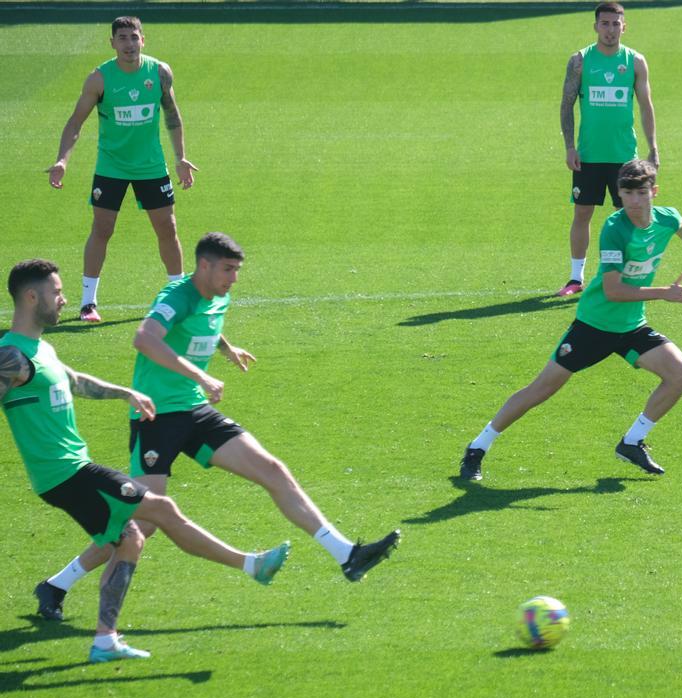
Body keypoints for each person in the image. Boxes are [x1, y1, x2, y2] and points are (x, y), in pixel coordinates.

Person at [33, 233, 400, 622]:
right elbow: (145, 339)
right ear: (203, 266)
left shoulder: (218, 294)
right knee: (143, 524)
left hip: (195, 411)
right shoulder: (178, 295)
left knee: (273, 470)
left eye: (237, 270)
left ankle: (346, 554)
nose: (234, 279)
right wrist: (202, 377)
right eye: (227, 269)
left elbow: (205, 323)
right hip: (155, 417)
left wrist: (226, 348)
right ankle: (59, 585)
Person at [2, 259, 289, 661]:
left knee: (132, 537)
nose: (64, 298)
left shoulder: (40, 348)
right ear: (31, 297)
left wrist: (126, 392)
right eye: (56, 291)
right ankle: (251, 567)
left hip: (71, 469)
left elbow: (76, 381)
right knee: (161, 509)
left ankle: (104, 639)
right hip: (65, 474)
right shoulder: (10, 356)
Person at [460, 159, 682, 481]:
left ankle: (632, 441)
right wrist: (663, 293)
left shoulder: (665, 218)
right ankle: (477, 447)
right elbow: (613, 291)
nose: (635, 201)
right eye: (627, 193)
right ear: (620, 195)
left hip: (630, 327)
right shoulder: (615, 229)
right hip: (594, 326)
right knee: (542, 389)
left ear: (654, 191)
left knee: (680, 374)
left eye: (642, 193)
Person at [46, 16, 199, 323]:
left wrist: (181, 158)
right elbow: (76, 122)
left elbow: (173, 117)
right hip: (111, 166)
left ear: (143, 39)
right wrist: (63, 160)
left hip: (151, 166)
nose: (129, 44)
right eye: (123, 38)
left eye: (134, 37)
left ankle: (178, 295)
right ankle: (88, 303)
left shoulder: (158, 73)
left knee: (167, 229)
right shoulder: (99, 79)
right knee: (102, 229)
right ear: (112, 43)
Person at [556, 2, 658, 297]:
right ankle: (576, 278)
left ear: (624, 26)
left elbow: (645, 106)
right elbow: (566, 104)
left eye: (616, 24)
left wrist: (653, 148)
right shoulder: (580, 60)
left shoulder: (635, 61)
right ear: (596, 26)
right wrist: (570, 146)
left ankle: (627, 276)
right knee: (583, 212)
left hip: (624, 156)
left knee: (628, 215)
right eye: (605, 24)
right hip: (588, 155)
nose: (610, 29)